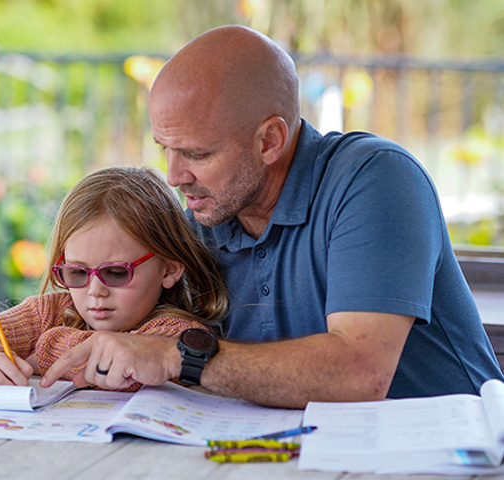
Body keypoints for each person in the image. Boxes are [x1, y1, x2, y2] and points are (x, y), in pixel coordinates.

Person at [41, 25, 504, 408]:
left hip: (445, 456)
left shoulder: (375, 179)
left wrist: (180, 357)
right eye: (166, 150)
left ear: (269, 141)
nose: (175, 177)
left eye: (197, 154)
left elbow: (359, 374)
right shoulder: (207, 214)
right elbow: (82, 312)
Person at [0, 166, 227, 388]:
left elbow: (124, 367)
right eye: (77, 272)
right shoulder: (52, 311)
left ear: (169, 269)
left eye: (116, 272)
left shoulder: (176, 333)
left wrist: (42, 351)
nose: (95, 291)